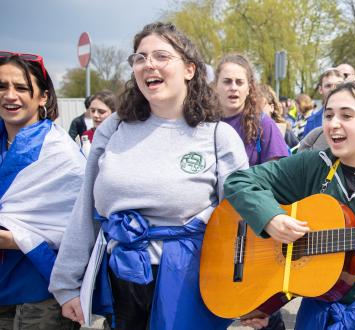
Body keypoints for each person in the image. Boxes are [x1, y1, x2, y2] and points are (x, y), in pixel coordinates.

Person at [49, 22, 249, 329]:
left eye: (160, 56)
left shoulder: (217, 136)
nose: (148, 64)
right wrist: (66, 283)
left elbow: (239, 220)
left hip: (190, 281)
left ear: (189, 70)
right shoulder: (113, 128)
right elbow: (84, 210)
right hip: (121, 278)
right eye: (140, 58)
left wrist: (245, 288)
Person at [224, 79, 355, 330]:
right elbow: (239, 181)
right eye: (328, 115)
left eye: (346, 115)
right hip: (318, 316)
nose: (333, 123)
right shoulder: (312, 165)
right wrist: (271, 218)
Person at [0, 51, 85, 330]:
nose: (10, 96)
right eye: (2, 86)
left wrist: (17, 239)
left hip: (42, 288)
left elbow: (80, 228)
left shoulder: (62, 155)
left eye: (21, 88)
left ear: (43, 97)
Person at [214, 54, 289, 165]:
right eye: (227, 81)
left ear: (248, 88)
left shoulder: (264, 125)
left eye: (239, 82)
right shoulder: (204, 123)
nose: (233, 87)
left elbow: (277, 174)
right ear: (216, 86)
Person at [302, 69, 344, 138]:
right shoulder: (311, 122)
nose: (333, 89)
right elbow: (305, 148)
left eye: (338, 85)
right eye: (328, 86)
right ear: (320, 90)